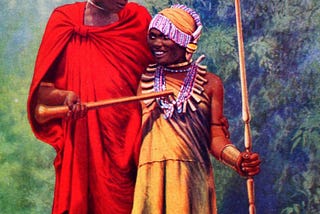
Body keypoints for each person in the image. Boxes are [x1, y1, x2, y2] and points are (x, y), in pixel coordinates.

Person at [131, 4, 261, 214]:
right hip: (152, 178)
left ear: (185, 41)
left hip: (193, 178)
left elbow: (215, 137)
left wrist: (238, 159)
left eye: (165, 37)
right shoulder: (144, 80)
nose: (157, 44)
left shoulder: (211, 84)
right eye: (153, 36)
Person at [27, 0, 153, 213]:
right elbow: (40, 94)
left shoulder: (138, 19)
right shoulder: (64, 21)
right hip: (84, 143)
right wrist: (64, 96)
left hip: (132, 140)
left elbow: (160, 74)